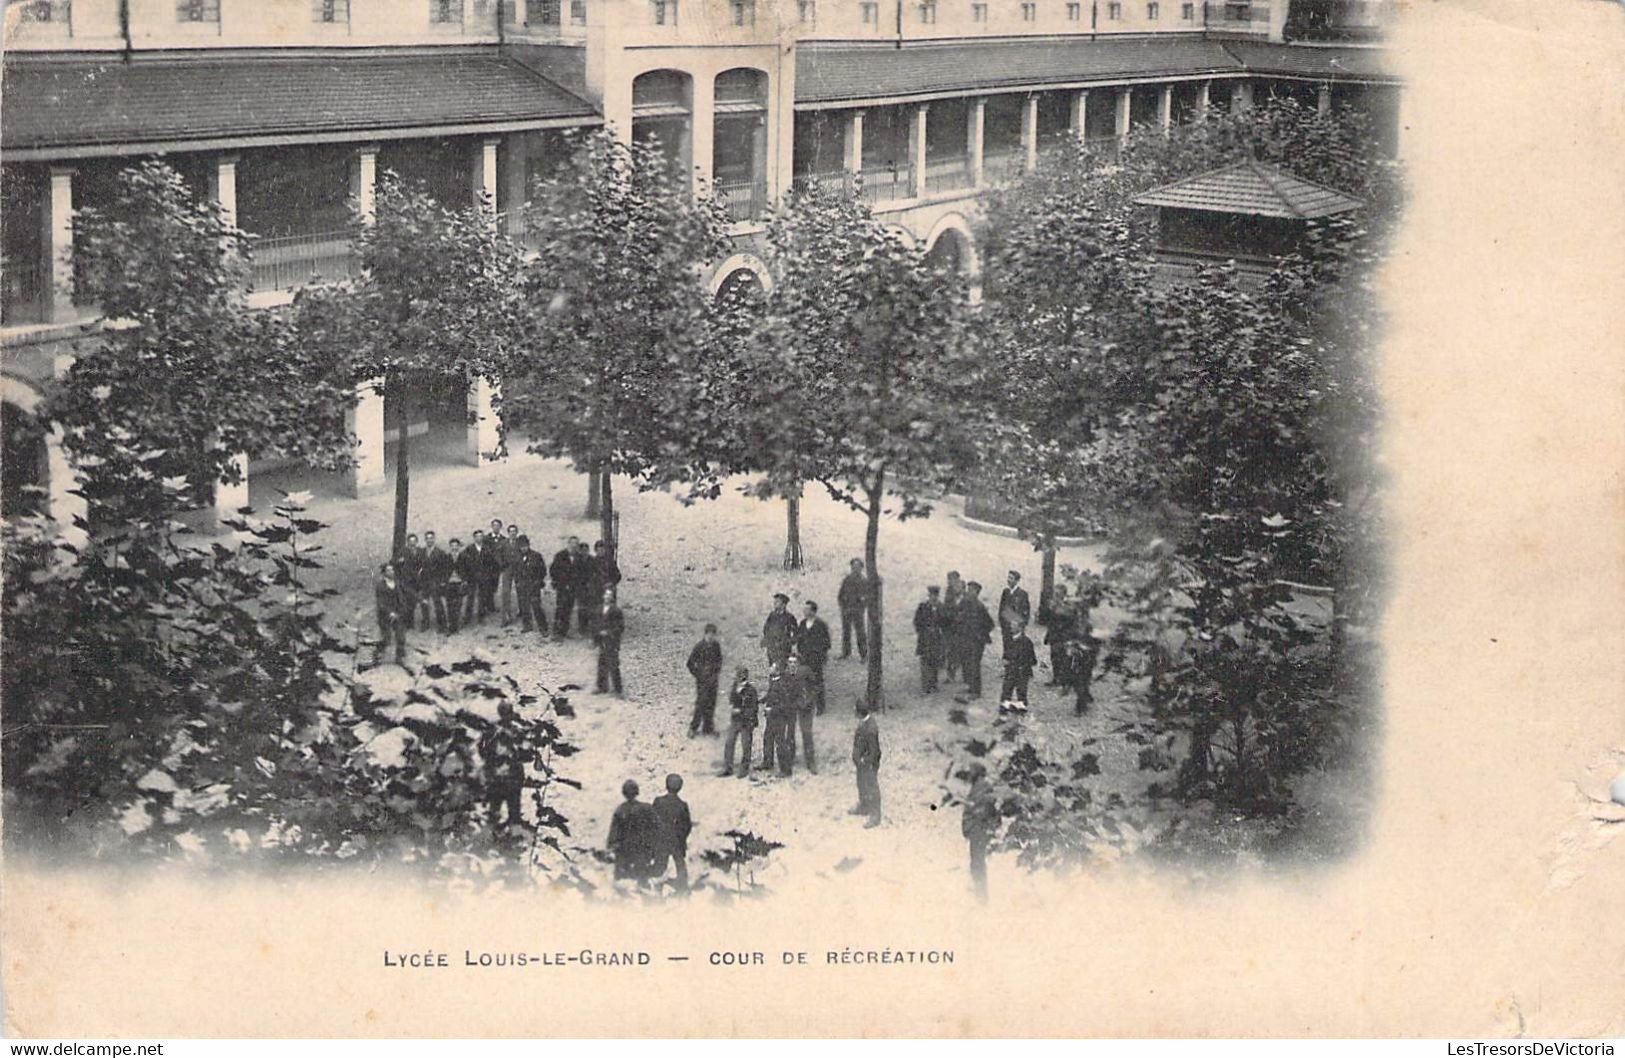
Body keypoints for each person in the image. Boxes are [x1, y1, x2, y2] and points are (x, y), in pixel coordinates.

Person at [481, 702, 526, 832]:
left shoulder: (491, 730)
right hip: (511, 777)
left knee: (495, 808)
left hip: (498, 776)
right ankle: (513, 838)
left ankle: (490, 837)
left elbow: (482, 750)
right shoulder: (516, 731)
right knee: (513, 810)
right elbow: (526, 753)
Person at [606, 779, 659, 884]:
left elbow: (614, 833)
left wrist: (611, 848)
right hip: (642, 851)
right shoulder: (647, 808)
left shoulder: (620, 810)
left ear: (624, 793)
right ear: (637, 792)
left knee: (623, 885)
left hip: (624, 852)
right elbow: (656, 828)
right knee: (642, 881)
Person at [962, 763, 997, 903]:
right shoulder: (979, 786)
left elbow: (984, 809)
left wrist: (971, 826)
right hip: (977, 830)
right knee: (977, 862)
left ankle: (981, 896)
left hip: (979, 830)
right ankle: (980, 893)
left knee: (977, 863)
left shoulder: (982, 787)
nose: (969, 774)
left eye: (971, 772)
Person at [652, 773, 693, 891]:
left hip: (661, 841)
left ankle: (656, 891)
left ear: (666, 785)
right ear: (680, 787)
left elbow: (651, 821)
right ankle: (682, 889)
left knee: (659, 867)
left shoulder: (658, 802)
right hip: (676, 841)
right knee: (680, 865)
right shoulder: (682, 805)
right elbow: (687, 826)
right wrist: (681, 838)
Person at [958, 581, 996, 698]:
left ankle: (976, 691)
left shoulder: (980, 606)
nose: (968, 592)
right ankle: (970, 686)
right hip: (966, 639)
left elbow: (990, 624)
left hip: (976, 641)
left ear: (976, 592)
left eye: (971, 590)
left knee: (974, 665)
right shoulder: (964, 603)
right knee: (967, 663)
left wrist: (981, 634)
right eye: (968, 590)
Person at [720, 667, 759, 778]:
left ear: (742, 676)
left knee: (746, 745)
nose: (735, 677)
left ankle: (744, 768)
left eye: (737, 675)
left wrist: (740, 710)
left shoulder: (751, 690)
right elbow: (731, 699)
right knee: (729, 743)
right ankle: (728, 767)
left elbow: (754, 708)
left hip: (746, 722)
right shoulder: (734, 687)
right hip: (735, 720)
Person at [757, 662, 795, 776]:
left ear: (778, 670)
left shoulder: (782, 684)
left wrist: (771, 710)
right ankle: (767, 762)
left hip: (779, 718)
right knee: (768, 738)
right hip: (772, 717)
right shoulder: (774, 680)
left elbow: (785, 704)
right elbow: (770, 695)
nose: (770, 668)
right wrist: (760, 700)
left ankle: (786, 769)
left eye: (772, 667)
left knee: (780, 743)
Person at [686, 623, 723, 737]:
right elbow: (690, 663)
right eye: (709, 634)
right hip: (702, 681)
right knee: (701, 704)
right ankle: (693, 728)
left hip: (713, 680)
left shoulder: (716, 646)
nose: (711, 637)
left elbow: (719, 660)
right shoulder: (699, 646)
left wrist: (716, 672)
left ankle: (708, 728)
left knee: (711, 703)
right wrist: (698, 675)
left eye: (713, 634)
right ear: (705, 634)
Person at [850, 699, 882, 828]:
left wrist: (866, 761)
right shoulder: (864, 723)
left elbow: (874, 750)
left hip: (868, 764)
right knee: (861, 784)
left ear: (859, 712)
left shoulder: (870, 729)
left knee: (871, 786)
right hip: (861, 763)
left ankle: (875, 815)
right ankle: (864, 806)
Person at [796, 601, 831, 715]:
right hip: (804, 658)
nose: (804, 611)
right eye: (804, 609)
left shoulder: (820, 625)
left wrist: (821, 655)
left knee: (817, 682)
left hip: (816, 659)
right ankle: (808, 705)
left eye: (807, 609)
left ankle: (820, 706)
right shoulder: (802, 624)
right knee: (805, 683)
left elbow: (826, 643)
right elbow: (799, 639)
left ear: (813, 611)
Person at [372, 561, 408, 668]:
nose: (391, 572)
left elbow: (405, 595)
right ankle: (377, 653)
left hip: (398, 614)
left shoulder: (397, 583)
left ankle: (399, 657)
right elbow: (381, 603)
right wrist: (390, 613)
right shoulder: (380, 586)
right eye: (388, 570)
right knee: (386, 638)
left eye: (392, 570)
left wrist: (400, 611)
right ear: (384, 573)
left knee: (401, 637)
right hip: (385, 616)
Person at [1040, 584, 1075, 689]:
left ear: (1063, 594)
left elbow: (1070, 619)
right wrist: (1048, 609)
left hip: (1065, 636)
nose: (1055, 596)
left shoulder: (1069, 604)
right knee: (1054, 657)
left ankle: (1065, 681)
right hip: (1054, 635)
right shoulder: (1052, 604)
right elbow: (1045, 619)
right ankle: (1056, 678)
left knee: (1065, 659)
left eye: (1058, 594)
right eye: (1055, 593)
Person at [788, 651, 818, 774]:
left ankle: (810, 761)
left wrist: (809, 700)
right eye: (790, 662)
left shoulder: (806, 671)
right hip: (791, 706)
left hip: (805, 706)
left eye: (794, 662)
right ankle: (790, 757)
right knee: (789, 732)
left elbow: (815, 687)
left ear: (799, 663)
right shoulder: (785, 674)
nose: (792, 665)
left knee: (806, 732)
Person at [914, 585, 947, 694]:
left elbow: (946, 623)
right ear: (929, 596)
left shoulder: (941, 607)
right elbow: (917, 622)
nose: (933, 598)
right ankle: (925, 686)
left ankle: (934, 683)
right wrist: (924, 631)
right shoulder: (923, 607)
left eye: (935, 596)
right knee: (925, 661)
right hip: (925, 638)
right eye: (932, 595)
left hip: (937, 638)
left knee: (935, 660)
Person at [514, 535, 549, 635]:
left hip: (534, 585)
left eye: (525, 546)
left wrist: (538, 581)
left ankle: (543, 628)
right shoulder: (517, 557)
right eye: (521, 546)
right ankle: (527, 625)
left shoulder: (536, 556)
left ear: (528, 545)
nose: (523, 548)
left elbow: (542, 570)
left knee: (536, 606)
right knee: (524, 607)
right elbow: (516, 571)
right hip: (522, 585)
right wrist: (518, 582)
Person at [836, 558, 869, 660]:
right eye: (853, 567)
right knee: (846, 632)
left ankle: (863, 654)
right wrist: (842, 606)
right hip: (846, 610)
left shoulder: (864, 581)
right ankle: (846, 652)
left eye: (857, 567)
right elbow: (840, 594)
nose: (855, 569)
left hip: (858, 611)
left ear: (861, 568)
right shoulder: (847, 580)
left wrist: (862, 605)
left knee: (860, 633)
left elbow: (867, 597)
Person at [419, 530, 451, 633]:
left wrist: (443, 581)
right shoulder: (422, 552)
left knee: (437, 603)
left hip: (435, 581)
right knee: (424, 602)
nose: (429, 540)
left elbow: (446, 568)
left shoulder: (440, 553)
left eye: (431, 538)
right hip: (424, 581)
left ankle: (442, 625)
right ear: (425, 540)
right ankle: (425, 623)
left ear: (434, 539)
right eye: (427, 539)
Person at [594, 589, 624, 695]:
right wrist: (596, 637)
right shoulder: (599, 609)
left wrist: (608, 632)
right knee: (602, 663)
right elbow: (596, 624)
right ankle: (602, 687)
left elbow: (620, 627)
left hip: (612, 642)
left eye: (610, 595)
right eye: (606, 594)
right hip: (602, 641)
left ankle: (618, 689)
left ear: (612, 597)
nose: (607, 596)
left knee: (613, 665)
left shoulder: (616, 611)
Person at [1001, 620, 1038, 709]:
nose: (1011, 627)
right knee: (1006, 693)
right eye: (1011, 624)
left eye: (1014, 625)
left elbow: (1033, 660)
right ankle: (1003, 715)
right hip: (1010, 671)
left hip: (1022, 672)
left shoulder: (1027, 642)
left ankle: (1021, 715)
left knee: (1021, 695)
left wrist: (1022, 666)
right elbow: (1006, 653)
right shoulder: (1009, 639)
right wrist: (1005, 660)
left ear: (1020, 628)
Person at [551, 536, 580, 639]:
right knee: (560, 609)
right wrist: (559, 583)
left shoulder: (579, 557)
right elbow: (553, 570)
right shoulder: (560, 556)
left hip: (573, 588)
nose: (574, 546)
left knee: (569, 609)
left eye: (576, 544)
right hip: (562, 587)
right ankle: (556, 632)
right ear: (568, 544)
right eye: (572, 544)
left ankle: (564, 630)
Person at [458, 530, 486, 628]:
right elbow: (463, 562)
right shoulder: (469, 549)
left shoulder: (486, 548)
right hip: (471, 577)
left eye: (481, 536)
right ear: (474, 538)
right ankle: (467, 618)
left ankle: (481, 617)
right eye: (477, 536)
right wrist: (465, 576)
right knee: (470, 597)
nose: (479, 538)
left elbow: (490, 563)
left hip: (483, 576)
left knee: (482, 598)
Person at [998, 570, 1031, 654]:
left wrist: (1022, 625)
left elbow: (1026, 611)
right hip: (1006, 625)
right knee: (1006, 645)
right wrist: (1002, 622)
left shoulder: (1022, 594)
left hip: (1017, 626)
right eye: (1008, 577)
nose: (1008, 580)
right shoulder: (1005, 592)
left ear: (1016, 581)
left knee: (1017, 646)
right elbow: (1002, 608)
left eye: (1011, 578)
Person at [761, 592, 796, 669]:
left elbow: (795, 632)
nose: (775, 603)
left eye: (777, 601)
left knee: (782, 668)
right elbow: (766, 628)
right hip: (772, 648)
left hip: (783, 648)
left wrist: (789, 642)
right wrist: (768, 640)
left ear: (784, 604)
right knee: (772, 668)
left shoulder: (789, 617)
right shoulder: (772, 615)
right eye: (775, 601)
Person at [479, 522, 505, 623]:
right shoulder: (486, 538)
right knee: (486, 586)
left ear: (500, 527)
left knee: (494, 586)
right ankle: (484, 607)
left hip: (496, 568)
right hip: (486, 567)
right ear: (492, 527)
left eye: (498, 526)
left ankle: (491, 606)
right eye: (494, 526)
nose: (496, 528)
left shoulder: (503, 539)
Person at [397, 533, 424, 630]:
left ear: (416, 542)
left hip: (417, 580)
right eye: (410, 541)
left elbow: (424, 563)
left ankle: (411, 623)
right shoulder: (403, 552)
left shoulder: (420, 551)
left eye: (414, 541)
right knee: (407, 602)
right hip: (407, 580)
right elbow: (395, 563)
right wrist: (400, 562)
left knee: (413, 603)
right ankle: (407, 623)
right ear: (407, 542)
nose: (412, 543)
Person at [498, 522, 523, 626]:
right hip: (507, 570)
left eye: (514, 532)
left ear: (517, 533)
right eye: (511, 532)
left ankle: (522, 611)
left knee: (521, 590)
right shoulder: (504, 543)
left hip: (519, 570)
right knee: (506, 592)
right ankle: (506, 616)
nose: (512, 533)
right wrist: (502, 564)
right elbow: (498, 555)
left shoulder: (520, 543)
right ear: (508, 533)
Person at [942, 571, 965, 682]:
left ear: (956, 579)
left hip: (961, 628)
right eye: (948, 580)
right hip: (950, 627)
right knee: (951, 651)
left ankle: (961, 672)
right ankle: (951, 674)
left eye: (950, 580)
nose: (949, 582)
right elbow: (947, 607)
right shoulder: (949, 592)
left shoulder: (964, 592)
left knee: (960, 650)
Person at [442, 538, 468, 634]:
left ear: (458, 547)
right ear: (450, 547)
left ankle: (456, 627)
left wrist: (465, 580)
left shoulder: (463, 557)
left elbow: (467, 570)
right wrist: (444, 581)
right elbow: (443, 570)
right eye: (452, 546)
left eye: (456, 546)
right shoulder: (446, 557)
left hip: (459, 582)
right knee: (449, 605)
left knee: (458, 605)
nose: (454, 548)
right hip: (449, 583)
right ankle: (450, 627)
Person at [576, 540, 600, 635]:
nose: (584, 552)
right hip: (580, 588)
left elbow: (597, 572)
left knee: (591, 607)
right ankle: (582, 627)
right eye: (582, 550)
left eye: (586, 550)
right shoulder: (577, 561)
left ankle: (592, 627)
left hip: (590, 587)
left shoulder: (592, 560)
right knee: (581, 608)